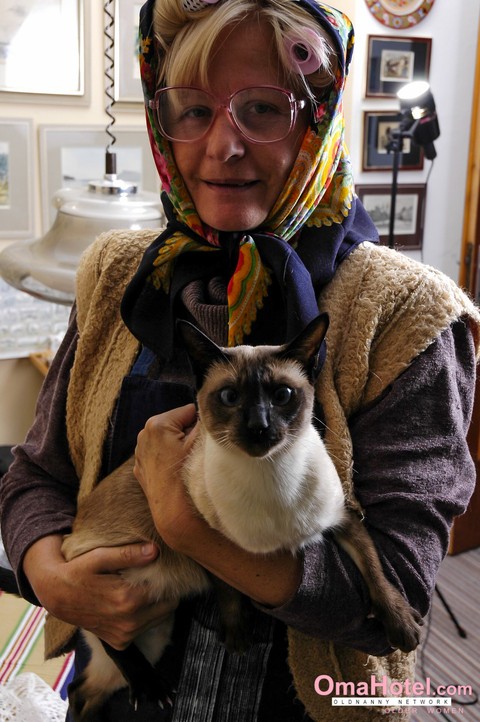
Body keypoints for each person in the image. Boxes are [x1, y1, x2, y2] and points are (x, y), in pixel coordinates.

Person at [1, 0, 479, 720]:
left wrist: (192, 530)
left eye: (262, 108)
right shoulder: (117, 275)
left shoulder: (406, 314)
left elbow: (400, 595)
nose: (222, 144)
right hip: (123, 696)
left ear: (320, 119)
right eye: (192, 109)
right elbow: (36, 476)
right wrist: (46, 571)